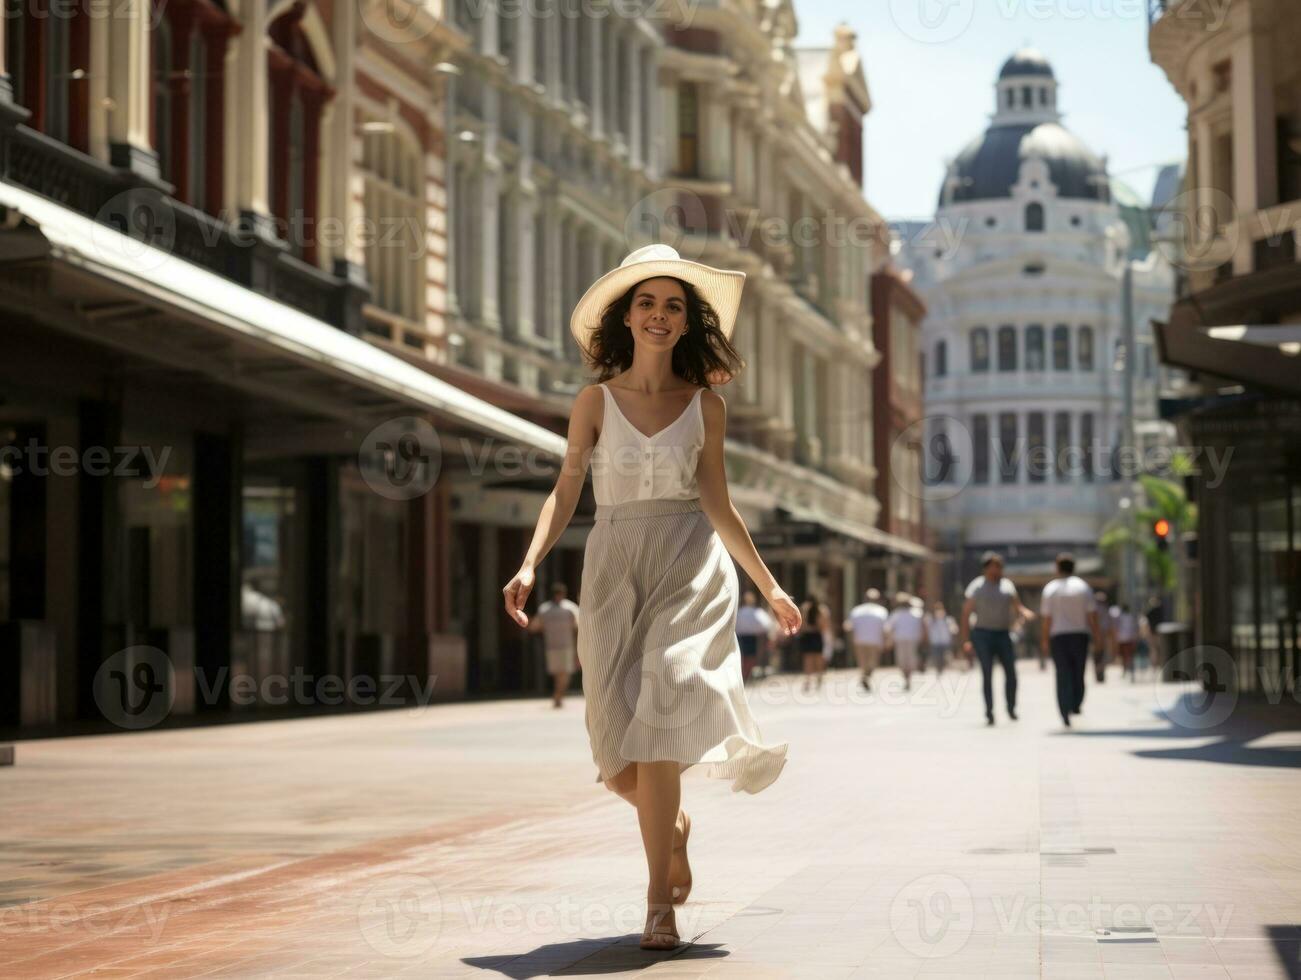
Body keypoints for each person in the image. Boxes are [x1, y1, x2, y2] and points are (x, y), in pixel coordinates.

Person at [502, 243, 801, 952]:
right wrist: (526, 563)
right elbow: (566, 490)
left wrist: (770, 584)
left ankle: (655, 905)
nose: (660, 315)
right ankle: (671, 827)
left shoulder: (706, 406)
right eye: (647, 303)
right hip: (612, 564)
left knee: (663, 697)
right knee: (616, 757)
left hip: (687, 560)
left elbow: (720, 506)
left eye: (673, 306)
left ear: (685, 322)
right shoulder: (593, 402)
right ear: (625, 317)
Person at [960, 552, 1031, 726]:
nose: (997, 570)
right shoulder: (976, 586)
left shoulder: (1007, 586)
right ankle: (989, 710)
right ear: (986, 568)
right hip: (982, 634)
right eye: (994, 566)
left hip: (1003, 634)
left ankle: (1011, 707)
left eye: (999, 566)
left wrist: (1024, 614)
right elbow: (966, 613)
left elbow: (1018, 606)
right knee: (987, 673)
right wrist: (965, 640)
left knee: (1011, 673)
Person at [1039, 553, 1102, 728]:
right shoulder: (1083, 587)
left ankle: (1064, 710)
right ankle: (1075, 703)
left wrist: (1044, 640)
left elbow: (1046, 619)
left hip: (1058, 636)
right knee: (1078, 672)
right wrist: (1098, 637)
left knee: (1062, 674)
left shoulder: (1050, 589)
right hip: (1079, 635)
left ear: (1057, 568)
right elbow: (1093, 615)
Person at [529, 582, 581, 707]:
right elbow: (535, 627)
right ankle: (558, 696)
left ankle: (558, 696)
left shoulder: (567, 608)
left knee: (564, 673)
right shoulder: (548, 609)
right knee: (559, 673)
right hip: (555, 646)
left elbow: (534, 627)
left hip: (565, 646)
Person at [844, 588, 888, 692]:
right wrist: (886, 640)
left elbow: (848, 626)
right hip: (874, 641)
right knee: (872, 663)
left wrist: (851, 638)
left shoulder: (857, 610)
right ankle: (865, 678)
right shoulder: (881, 611)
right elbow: (886, 628)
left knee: (864, 663)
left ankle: (864, 678)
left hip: (860, 641)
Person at [885, 592, 924, 691]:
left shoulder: (916, 613)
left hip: (909, 639)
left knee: (906, 659)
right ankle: (907, 677)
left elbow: (888, 628)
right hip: (904, 639)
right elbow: (888, 628)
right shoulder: (897, 614)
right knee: (905, 659)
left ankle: (908, 677)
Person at [735, 590, 775, 682]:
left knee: (745, 656)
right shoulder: (756, 612)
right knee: (749, 656)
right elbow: (766, 625)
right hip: (749, 637)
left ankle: (745, 674)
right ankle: (747, 674)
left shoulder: (740, 612)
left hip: (742, 637)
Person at [797, 593, 829, 693]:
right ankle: (818, 678)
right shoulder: (822, 609)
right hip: (816, 635)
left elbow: (802, 624)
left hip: (808, 635)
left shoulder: (804, 608)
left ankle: (808, 680)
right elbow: (824, 625)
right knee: (817, 658)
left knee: (808, 659)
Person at [924, 601, 957, 674]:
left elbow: (954, 630)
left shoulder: (948, 620)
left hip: (945, 642)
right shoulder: (931, 619)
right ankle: (939, 670)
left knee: (945, 657)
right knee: (936, 658)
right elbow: (926, 628)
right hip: (935, 642)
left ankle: (942, 669)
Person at [1113, 602, 1140, 680]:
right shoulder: (1131, 617)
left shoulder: (1120, 617)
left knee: (1124, 656)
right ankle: (1131, 672)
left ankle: (1125, 671)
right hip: (1129, 638)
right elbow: (1135, 629)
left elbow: (1116, 628)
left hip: (1122, 639)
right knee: (1130, 656)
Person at [1094, 591, 1112, 683]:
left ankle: (1099, 674)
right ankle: (1100, 673)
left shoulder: (1096, 609)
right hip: (1101, 634)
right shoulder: (1104, 609)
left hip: (1098, 634)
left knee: (1098, 655)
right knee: (1101, 655)